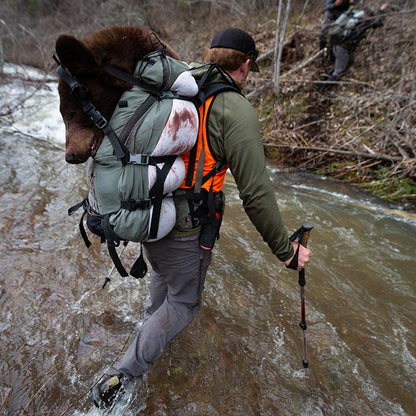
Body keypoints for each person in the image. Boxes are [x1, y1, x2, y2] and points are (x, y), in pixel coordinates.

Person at [90, 28, 312, 409]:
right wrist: (286, 250)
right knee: (184, 303)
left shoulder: (182, 83)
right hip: (186, 226)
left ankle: (149, 329)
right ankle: (123, 374)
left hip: (148, 210)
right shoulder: (234, 109)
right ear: (245, 65)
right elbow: (256, 195)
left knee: (164, 278)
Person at [319, 4, 387, 93]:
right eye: (370, 17)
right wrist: (382, 11)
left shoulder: (354, 19)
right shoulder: (362, 23)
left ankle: (325, 80)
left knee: (349, 61)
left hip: (339, 46)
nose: (370, 19)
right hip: (342, 48)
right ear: (367, 16)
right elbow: (379, 23)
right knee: (339, 71)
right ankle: (322, 91)